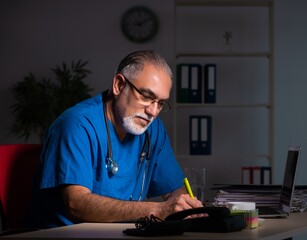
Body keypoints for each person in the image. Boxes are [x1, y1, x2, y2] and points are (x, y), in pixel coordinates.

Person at [26, 50, 203, 229]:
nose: (153, 112)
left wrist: (184, 205)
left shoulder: (154, 130)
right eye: (146, 97)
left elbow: (173, 189)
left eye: (161, 103)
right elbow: (76, 204)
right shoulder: (77, 125)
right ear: (119, 85)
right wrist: (157, 210)